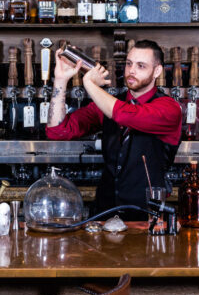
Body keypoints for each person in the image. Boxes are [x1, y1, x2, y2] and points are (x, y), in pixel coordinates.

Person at [45, 40, 182, 219]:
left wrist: (90, 84)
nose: (131, 70)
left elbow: (124, 114)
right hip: (105, 215)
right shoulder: (108, 104)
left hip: (146, 218)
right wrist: (61, 80)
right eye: (129, 64)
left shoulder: (168, 108)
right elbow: (57, 131)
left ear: (157, 71)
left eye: (141, 66)